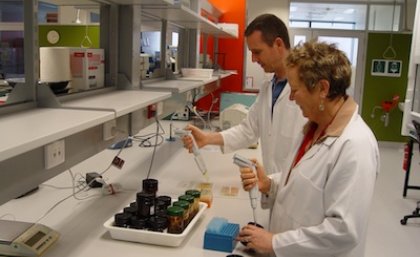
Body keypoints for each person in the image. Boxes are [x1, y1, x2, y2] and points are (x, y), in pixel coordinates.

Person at [237, 41, 379, 257]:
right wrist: (270, 184)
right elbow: (300, 186)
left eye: (295, 90)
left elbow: (343, 231)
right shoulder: (312, 128)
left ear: (323, 88)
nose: (292, 98)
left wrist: (275, 242)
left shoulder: (355, 146)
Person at [183, 14, 306, 176]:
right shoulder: (269, 84)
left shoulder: (307, 88)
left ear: (278, 44)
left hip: (296, 189)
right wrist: (207, 139)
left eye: (257, 52)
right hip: (271, 185)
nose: (253, 59)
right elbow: (248, 130)